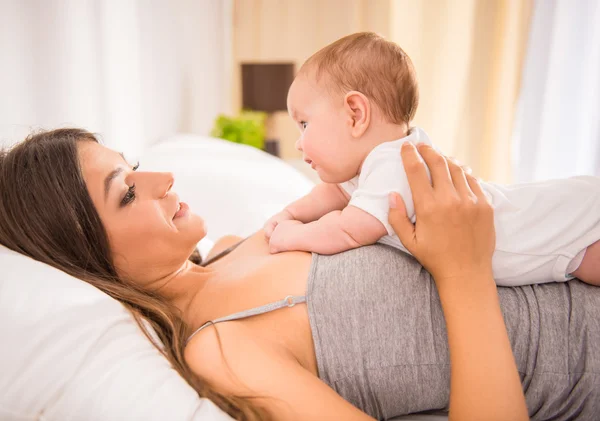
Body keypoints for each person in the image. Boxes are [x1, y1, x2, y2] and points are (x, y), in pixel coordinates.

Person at [1, 128, 598, 421]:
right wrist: (463, 270)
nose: (162, 179)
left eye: (134, 166)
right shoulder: (223, 349)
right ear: (84, 254)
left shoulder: (244, 243)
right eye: (127, 193)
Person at [263, 32, 600, 288]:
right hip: (550, 233)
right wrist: (291, 213)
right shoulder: (376, 165)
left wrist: (290, 235)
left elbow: (348, 231)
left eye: (305, 123)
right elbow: (334, 194)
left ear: (355, 114)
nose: (299, 140)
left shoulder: (394, 164)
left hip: (549, 228)